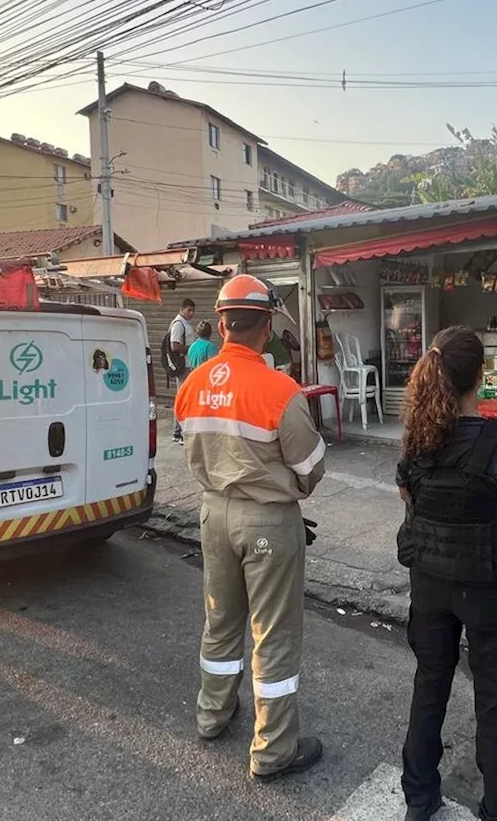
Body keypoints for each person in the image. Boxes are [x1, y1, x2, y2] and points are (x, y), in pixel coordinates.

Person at [395, 326, 497, 821]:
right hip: (491, 591)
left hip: (431, 585)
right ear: (479, 378)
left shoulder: (417, 441)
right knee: (496, 702)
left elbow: (410, 499)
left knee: (430, 685)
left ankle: (419, 799)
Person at [175, 274, 328, 782]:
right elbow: (311, 469)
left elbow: (192, 448)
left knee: (220, 622)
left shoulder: (193, 384)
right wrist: (277, 482)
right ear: (265, 327)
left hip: (212, 514)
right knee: (274, 634)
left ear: (221, 324)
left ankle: (211, 715)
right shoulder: (281, 391)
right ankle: (273, 751)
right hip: (266, 523)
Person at [168, 298, 197, 442]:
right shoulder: (179, 324)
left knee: (183, 398)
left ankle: (178, 432)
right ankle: (179, 433)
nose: (191, 313)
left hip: (187, 365)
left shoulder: (185, 323)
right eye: (189, 310)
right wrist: (191, 349)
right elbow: (174, 346)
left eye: (193, 311)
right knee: (183, 399)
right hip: (183, 366)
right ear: (182, 309)